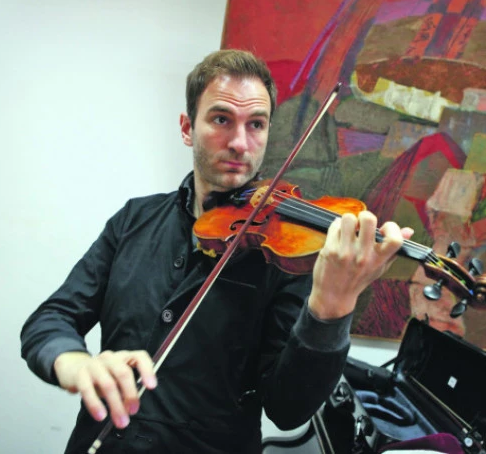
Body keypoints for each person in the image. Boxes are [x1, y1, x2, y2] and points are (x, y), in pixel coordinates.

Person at [20, 49, 413, 453]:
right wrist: (75, 363)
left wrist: (333, 307)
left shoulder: (288, 250)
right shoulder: (134, 220)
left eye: (256, 124)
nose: (240, 143)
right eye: (222, 119)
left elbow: (288, 408)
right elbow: (50, 320)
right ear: (187, 128)